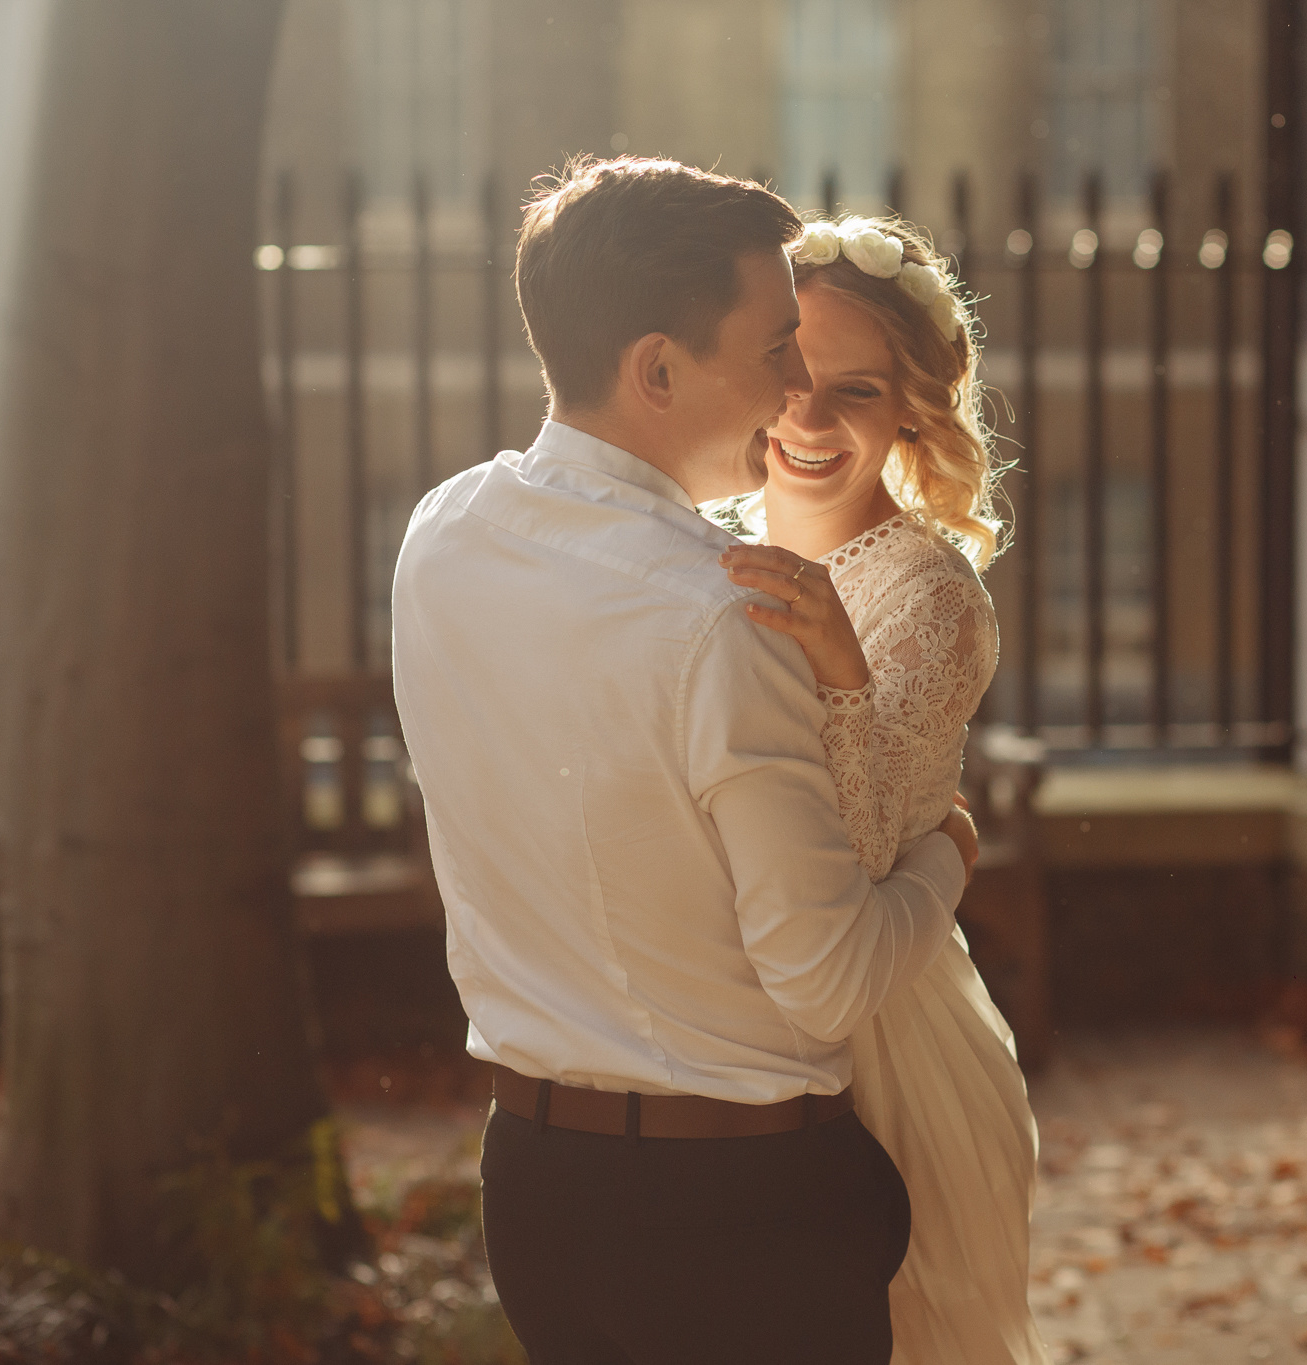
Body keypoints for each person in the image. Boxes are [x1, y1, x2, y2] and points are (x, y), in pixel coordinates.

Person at [390, 158, 981, 1365]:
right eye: (773, 350)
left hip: (537, 1191)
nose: (795, 386)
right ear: (656, 368)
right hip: (738, 1217)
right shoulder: (722, 616)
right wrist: (945, 860)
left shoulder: (439, 534)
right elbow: (825, 977)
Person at [718, 215, 1048, 1364]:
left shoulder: (930, 597)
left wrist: (841, 675)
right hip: (726, 1038)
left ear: (909, 409)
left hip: (886, 1060)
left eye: (852, 391)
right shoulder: (700, 546)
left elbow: (851, 857)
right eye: (792, 377)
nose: (808, 419)